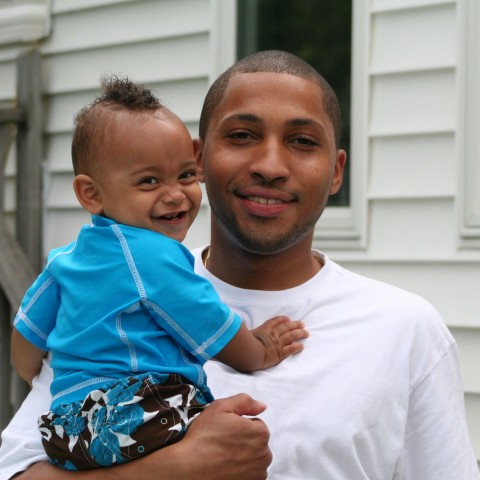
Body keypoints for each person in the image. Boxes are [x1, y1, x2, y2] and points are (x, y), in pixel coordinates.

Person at [1, 49, 479, 479]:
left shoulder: (405, 330)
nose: (270, 165)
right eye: (243, 135)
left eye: (303, 141)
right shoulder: (108, 291)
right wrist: (179, 467)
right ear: (200, 157)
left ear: (336, 171)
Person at [7, 75, 307, 471]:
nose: (175, 193)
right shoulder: (152, 254)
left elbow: (25, 347)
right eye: (149, 181)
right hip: (130, 410)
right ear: (91, 194)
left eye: (185, 175)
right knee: (233, 442)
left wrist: (48, 382)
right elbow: (209, 324)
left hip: (64, 430)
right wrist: (260, 350)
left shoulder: (66, 258)